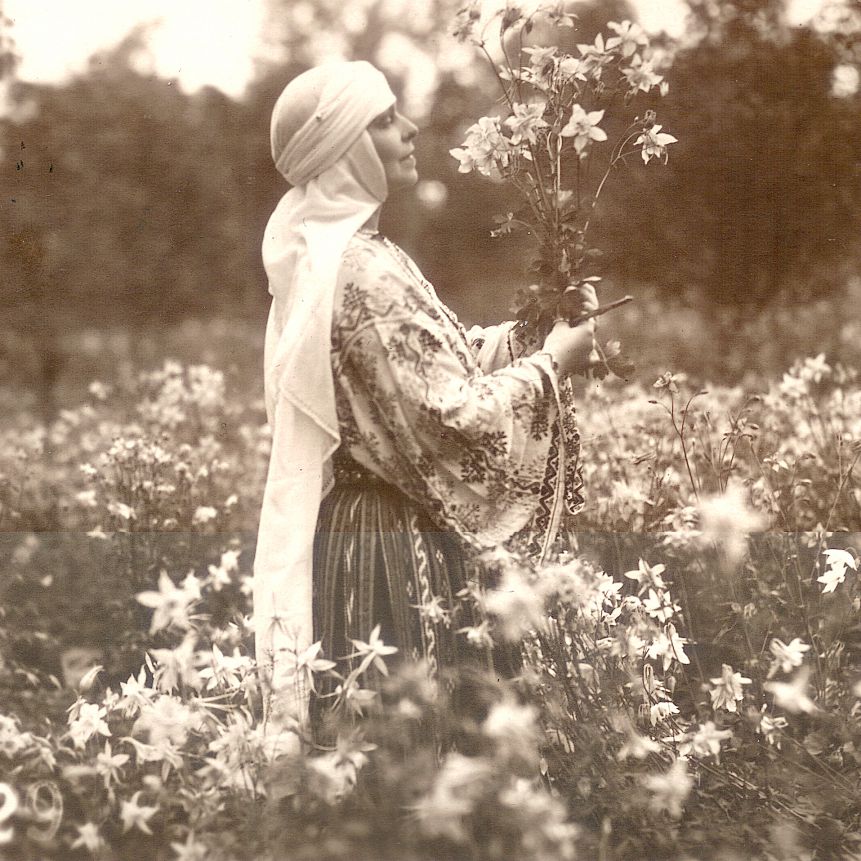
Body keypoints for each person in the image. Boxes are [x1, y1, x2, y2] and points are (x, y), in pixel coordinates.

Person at [253, 60, 597, 743]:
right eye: (384, 121)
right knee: (414, 749)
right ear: (344, 149)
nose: (409, 129)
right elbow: (449, 417)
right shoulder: (360, 269)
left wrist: (534, 332)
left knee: (392, 751)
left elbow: (429, 365)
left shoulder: (349, 256)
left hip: (370, 528)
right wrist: (553, 364)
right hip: (390, 544)